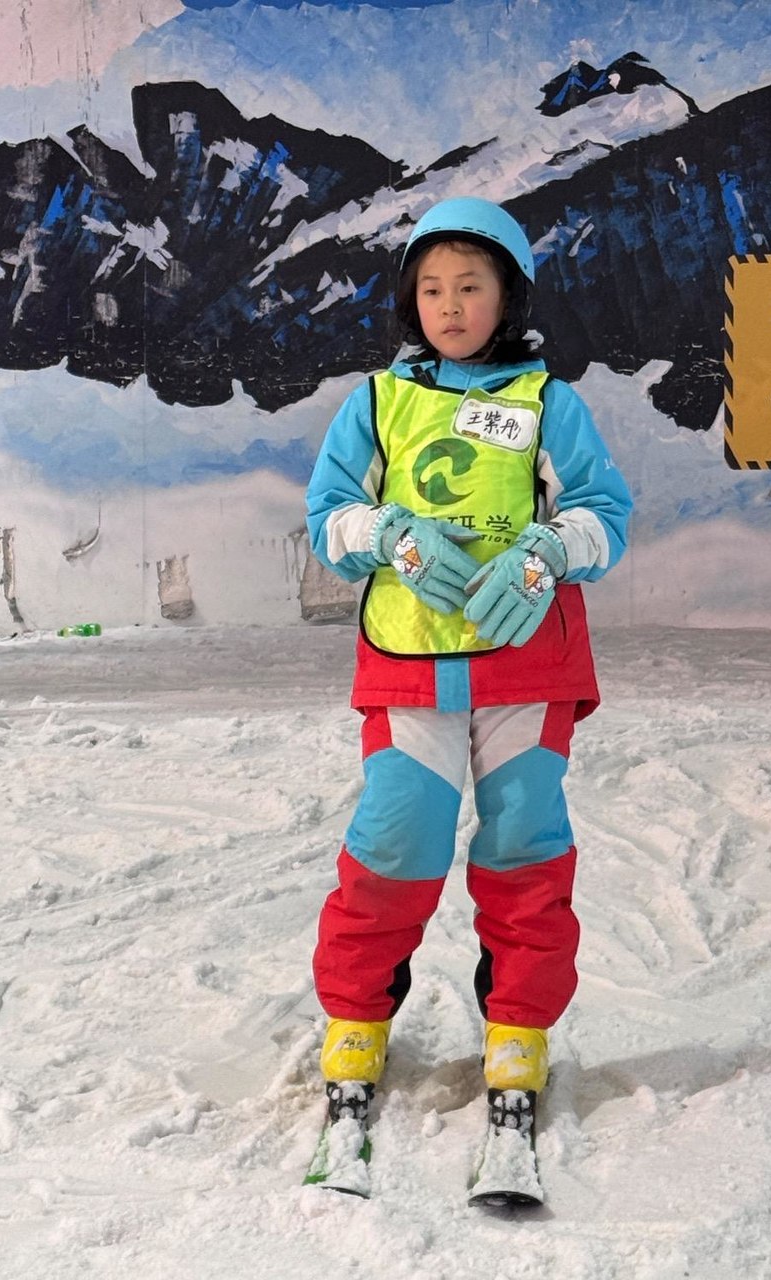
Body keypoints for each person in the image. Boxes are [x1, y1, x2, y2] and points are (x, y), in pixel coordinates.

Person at [304, 196, 632, 1101]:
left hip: (525, 667)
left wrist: (547, 554)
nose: (450, 306)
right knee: (395, 838)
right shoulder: (378, 403)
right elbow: (329, 518)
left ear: (508, 296)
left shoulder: (547, 403)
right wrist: (388, 535)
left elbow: (603, 515)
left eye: (471, 286)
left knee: (526, 841)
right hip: (410, 665)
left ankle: (519, 1023)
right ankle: (357, 1015)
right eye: (433, 289)